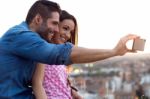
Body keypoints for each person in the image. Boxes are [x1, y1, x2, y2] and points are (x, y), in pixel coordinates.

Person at [0, 0, 139, 98]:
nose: (56, 29)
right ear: (38, 19)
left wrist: (70, 91)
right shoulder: (20, 35)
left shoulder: (32, 42)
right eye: (54, 24)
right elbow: (58, 55)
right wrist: (114, 51)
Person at [32, 10, 82, 99]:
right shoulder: (44, 51)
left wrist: (73, 93)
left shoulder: (59, 56)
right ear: (55, 26)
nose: (68, 35)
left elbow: (57, 82)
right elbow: (37, 84)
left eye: (71, 32)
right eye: (65, 28)